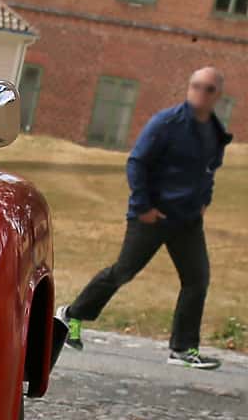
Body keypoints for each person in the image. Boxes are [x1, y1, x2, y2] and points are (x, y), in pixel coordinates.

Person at [64, 67, 231, 369]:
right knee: (123, 272)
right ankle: (74, 314)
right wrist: (143, 208)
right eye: (195, 86)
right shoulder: (166, 123)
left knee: (197, 280)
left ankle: (182, 349)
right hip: (152, 217)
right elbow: (137, 162)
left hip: (188, 221)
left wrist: (205, 202)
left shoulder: (215, 130)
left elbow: (209, 169)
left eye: (208, 89)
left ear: (217, 95)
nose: (200, 93)